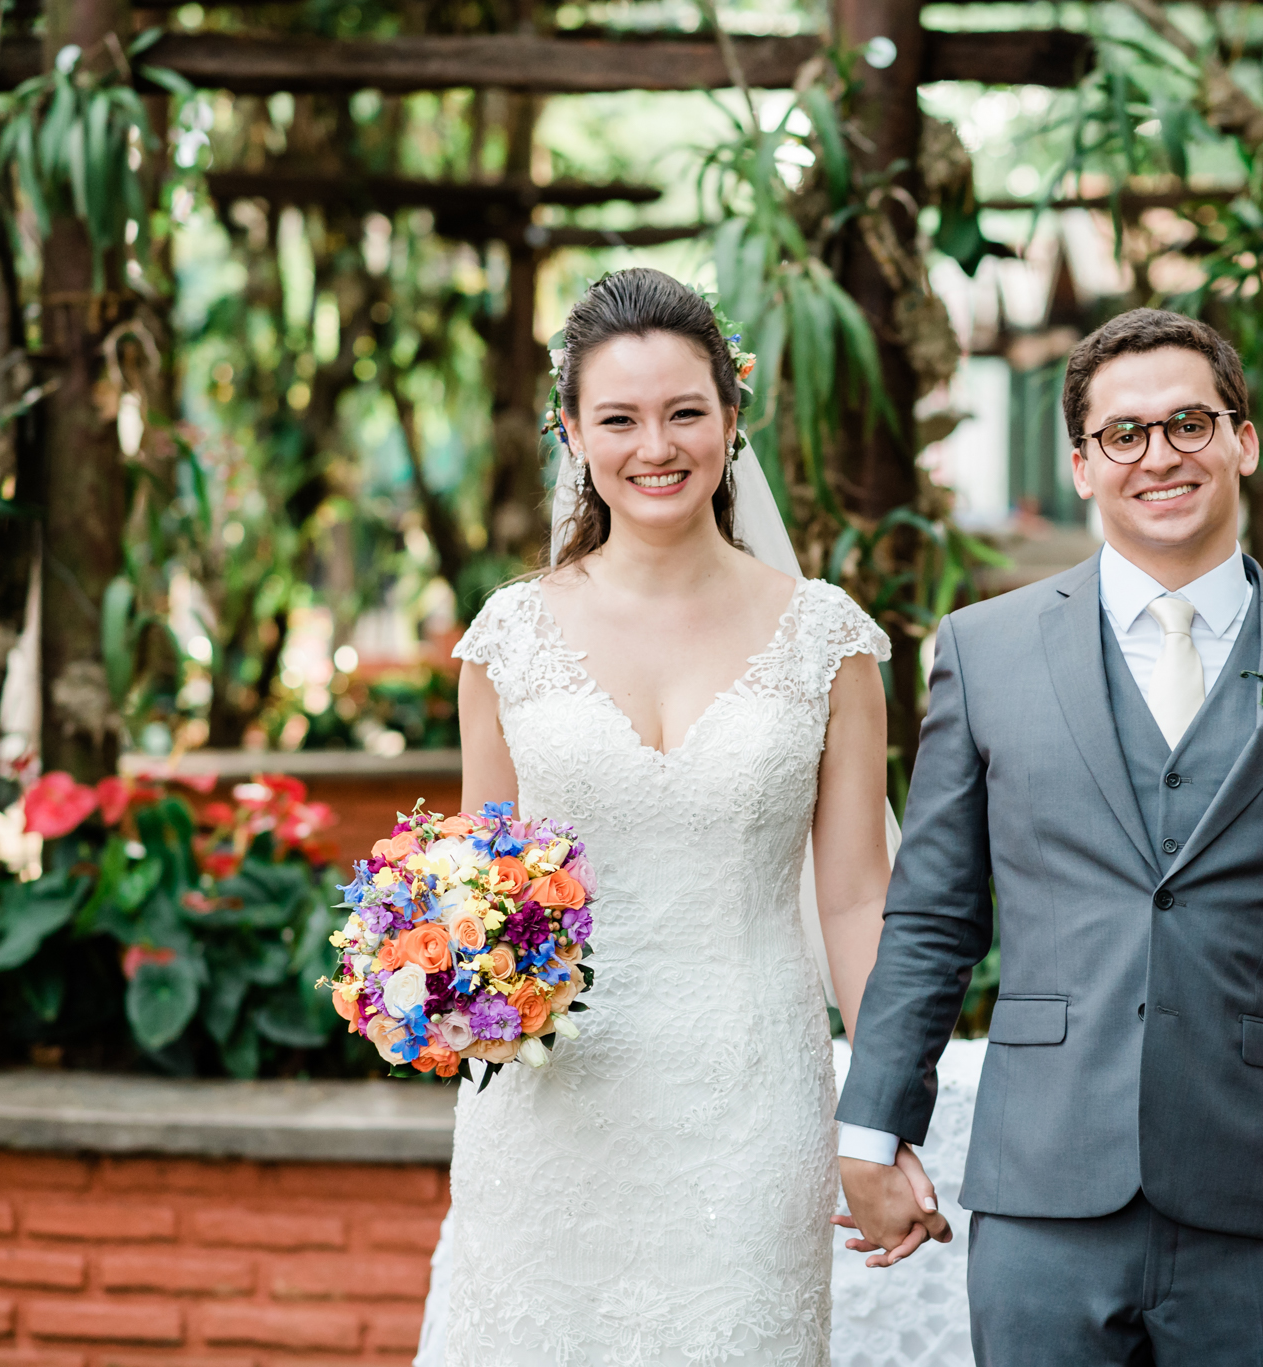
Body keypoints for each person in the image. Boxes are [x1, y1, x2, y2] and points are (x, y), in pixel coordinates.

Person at [836, 308, 1263, 1365]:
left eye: (1188, 421)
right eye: (1124, 434)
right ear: (1084, 465)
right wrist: (869, 1128)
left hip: (1262, 1197)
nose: (1160, 455)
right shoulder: (984, 652)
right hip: (1044, 1188)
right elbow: (931, 916)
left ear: (1243, 439)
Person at [420, 268, 935, 1366]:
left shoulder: (826, 641)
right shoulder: (506, 638)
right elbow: (478, 884)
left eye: (683, 411)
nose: (655, 445)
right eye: (618, 417)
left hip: (749, 1111)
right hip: (549, 1118)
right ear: (572, 432)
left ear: (730, 419)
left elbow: (852, 899)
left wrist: (876, 1116)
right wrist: (432, 978)